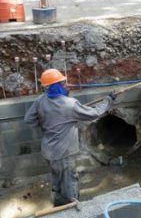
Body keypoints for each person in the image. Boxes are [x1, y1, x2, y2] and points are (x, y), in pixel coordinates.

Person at [24, 69, 114, 207]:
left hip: (49, 152)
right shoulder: (70, 104)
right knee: (69, 181)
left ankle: (58, 202)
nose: (67, 85)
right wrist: (108, 100)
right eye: (63, 82)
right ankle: (71, 209)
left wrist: (47, 124)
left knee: (57, 177)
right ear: (56, 86)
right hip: (63, 153)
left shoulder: (40, 100)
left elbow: (29, 120)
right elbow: (95, 113)